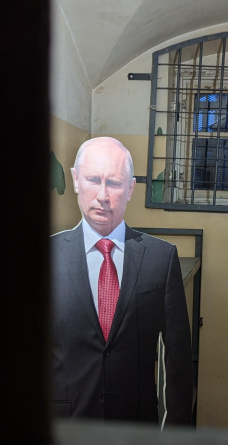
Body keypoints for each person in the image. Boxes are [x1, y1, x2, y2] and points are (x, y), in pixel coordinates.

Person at [50, 137, 193, 425]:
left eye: (114, 183)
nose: (102, 195)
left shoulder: (161, 259)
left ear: (130, 189)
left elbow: (177, 360)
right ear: (76, 180)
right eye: (93, 179)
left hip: (135, 428)